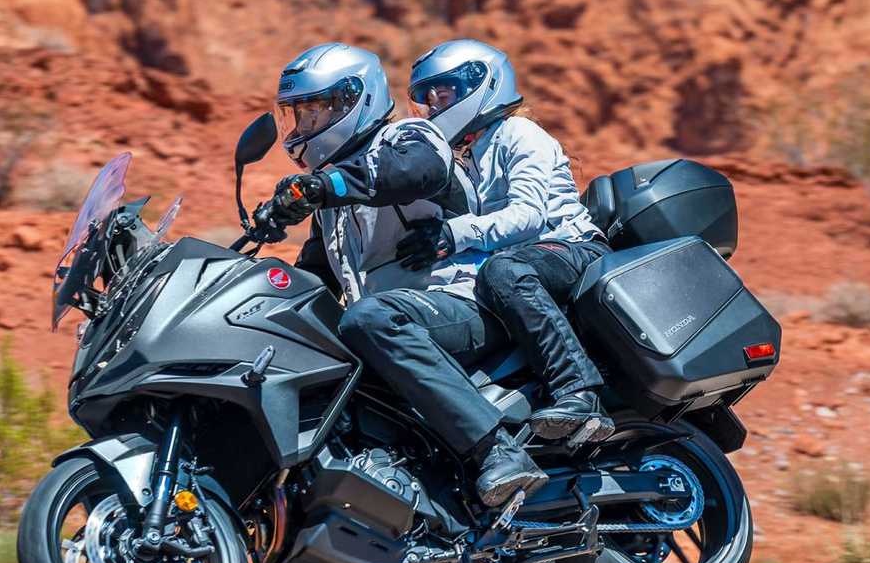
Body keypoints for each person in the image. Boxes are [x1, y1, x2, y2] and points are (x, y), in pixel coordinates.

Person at [262, 42, 547, 508]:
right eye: (296, 115)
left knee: (368, 320)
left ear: (352, 101)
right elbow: (311, 285)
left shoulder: (410, 139)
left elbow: (413, 173)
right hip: (400, 332)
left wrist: (323, 185)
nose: (303, 127)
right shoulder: (334, 207)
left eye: (313, 111)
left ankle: (498, 449)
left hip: (462, 304)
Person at [397, 39, 616, 447]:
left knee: (504, 271)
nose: (434, 107)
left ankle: (579, 391)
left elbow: (527, 216)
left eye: (443, 95)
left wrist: (452, 234)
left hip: (574, 248)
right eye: (427, 100)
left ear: (482, 85)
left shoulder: (519, 132)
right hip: (528, 259)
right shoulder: (467, 152)